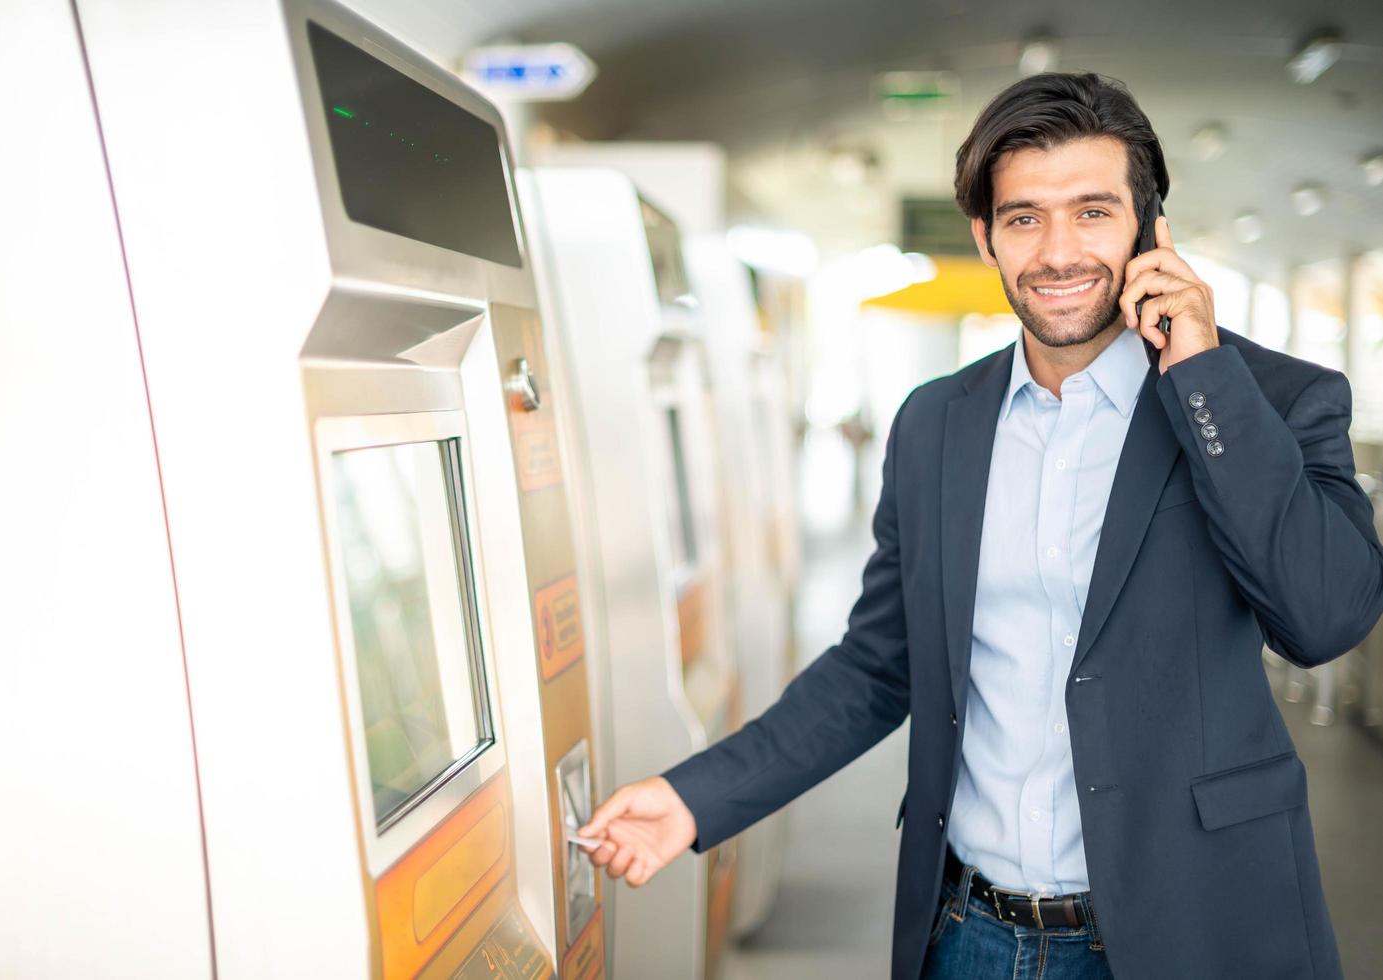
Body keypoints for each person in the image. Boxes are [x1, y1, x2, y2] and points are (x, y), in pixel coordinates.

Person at [579, 72, 1383, 979]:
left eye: (1091, 211)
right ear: (985, 238)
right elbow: (880, 664)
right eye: (1023, 218)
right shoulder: (935, 423)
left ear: (1152, 230)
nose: (1057, 250)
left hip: (1193, 928)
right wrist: (698, 798)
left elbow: (1323, 619)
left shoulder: (1270, 402)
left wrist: (1199, 378)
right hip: (967, 934)